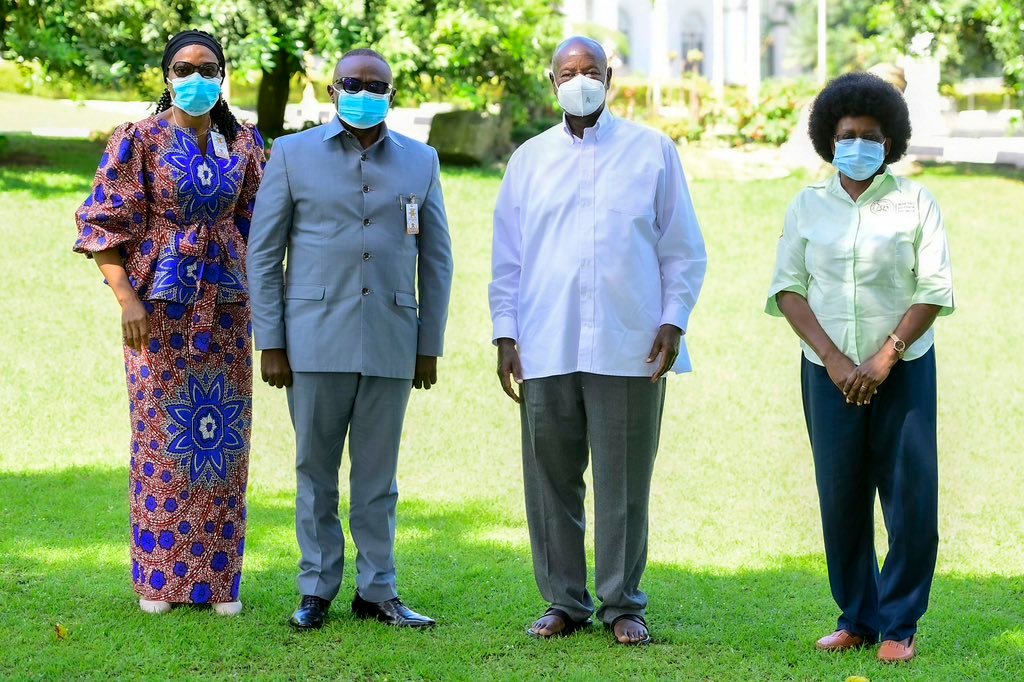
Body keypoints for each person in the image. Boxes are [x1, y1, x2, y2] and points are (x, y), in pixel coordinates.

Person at [489, 36, 707, 646]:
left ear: (610, 78)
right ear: (551, 80)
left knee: (624, 482)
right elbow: (508, 257)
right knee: (550, 480)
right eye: (567, 71)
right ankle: (564, 601)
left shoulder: (652, 152)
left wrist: (674, 319)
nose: (579, 79)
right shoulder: (528, 160)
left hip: (630, 342)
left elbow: (683, 249)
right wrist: (505, 333)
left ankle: (623, 604)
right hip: (545, 340)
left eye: (590, 71)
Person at [248, 48, 453, 631]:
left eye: (376, 84)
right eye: (352, 83)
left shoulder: (422, 161)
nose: (364, 92)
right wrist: (273, 341)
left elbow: (436, 259)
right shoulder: (290, 154)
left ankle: (378, 591)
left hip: (392, 336)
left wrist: (428, 344)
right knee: (314, 470)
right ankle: (315, 589)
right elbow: (264, 254)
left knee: (377, 477)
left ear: (393, 92)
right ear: (333, 89)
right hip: (312, 339)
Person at [73, 29, 265, 615]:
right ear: (167, 76)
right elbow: (101, 223)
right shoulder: (140, 140)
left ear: (223, 77)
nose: (198, 78)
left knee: (223, 444)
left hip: (228, 311)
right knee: (162, 439)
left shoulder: (246, 144)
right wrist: (126, 298)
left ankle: (216, 583)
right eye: (186, 68)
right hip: (158, 311)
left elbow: (265, 224)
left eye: (209, 68)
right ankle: (160, 580)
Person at [765, 72, 955, 663]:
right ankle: (858, 617)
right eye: (847, 133)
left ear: (890, 140)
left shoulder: (915, 203)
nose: (859, 143)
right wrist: (835, 360)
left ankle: (900, 625)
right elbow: (789, 289)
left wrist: (882, 357)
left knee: (912, 503)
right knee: (841, 497)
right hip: (827, 376)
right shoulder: (808, 205)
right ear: (829, 138)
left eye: (872, 135)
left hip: (904, 370)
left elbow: (933, 288)